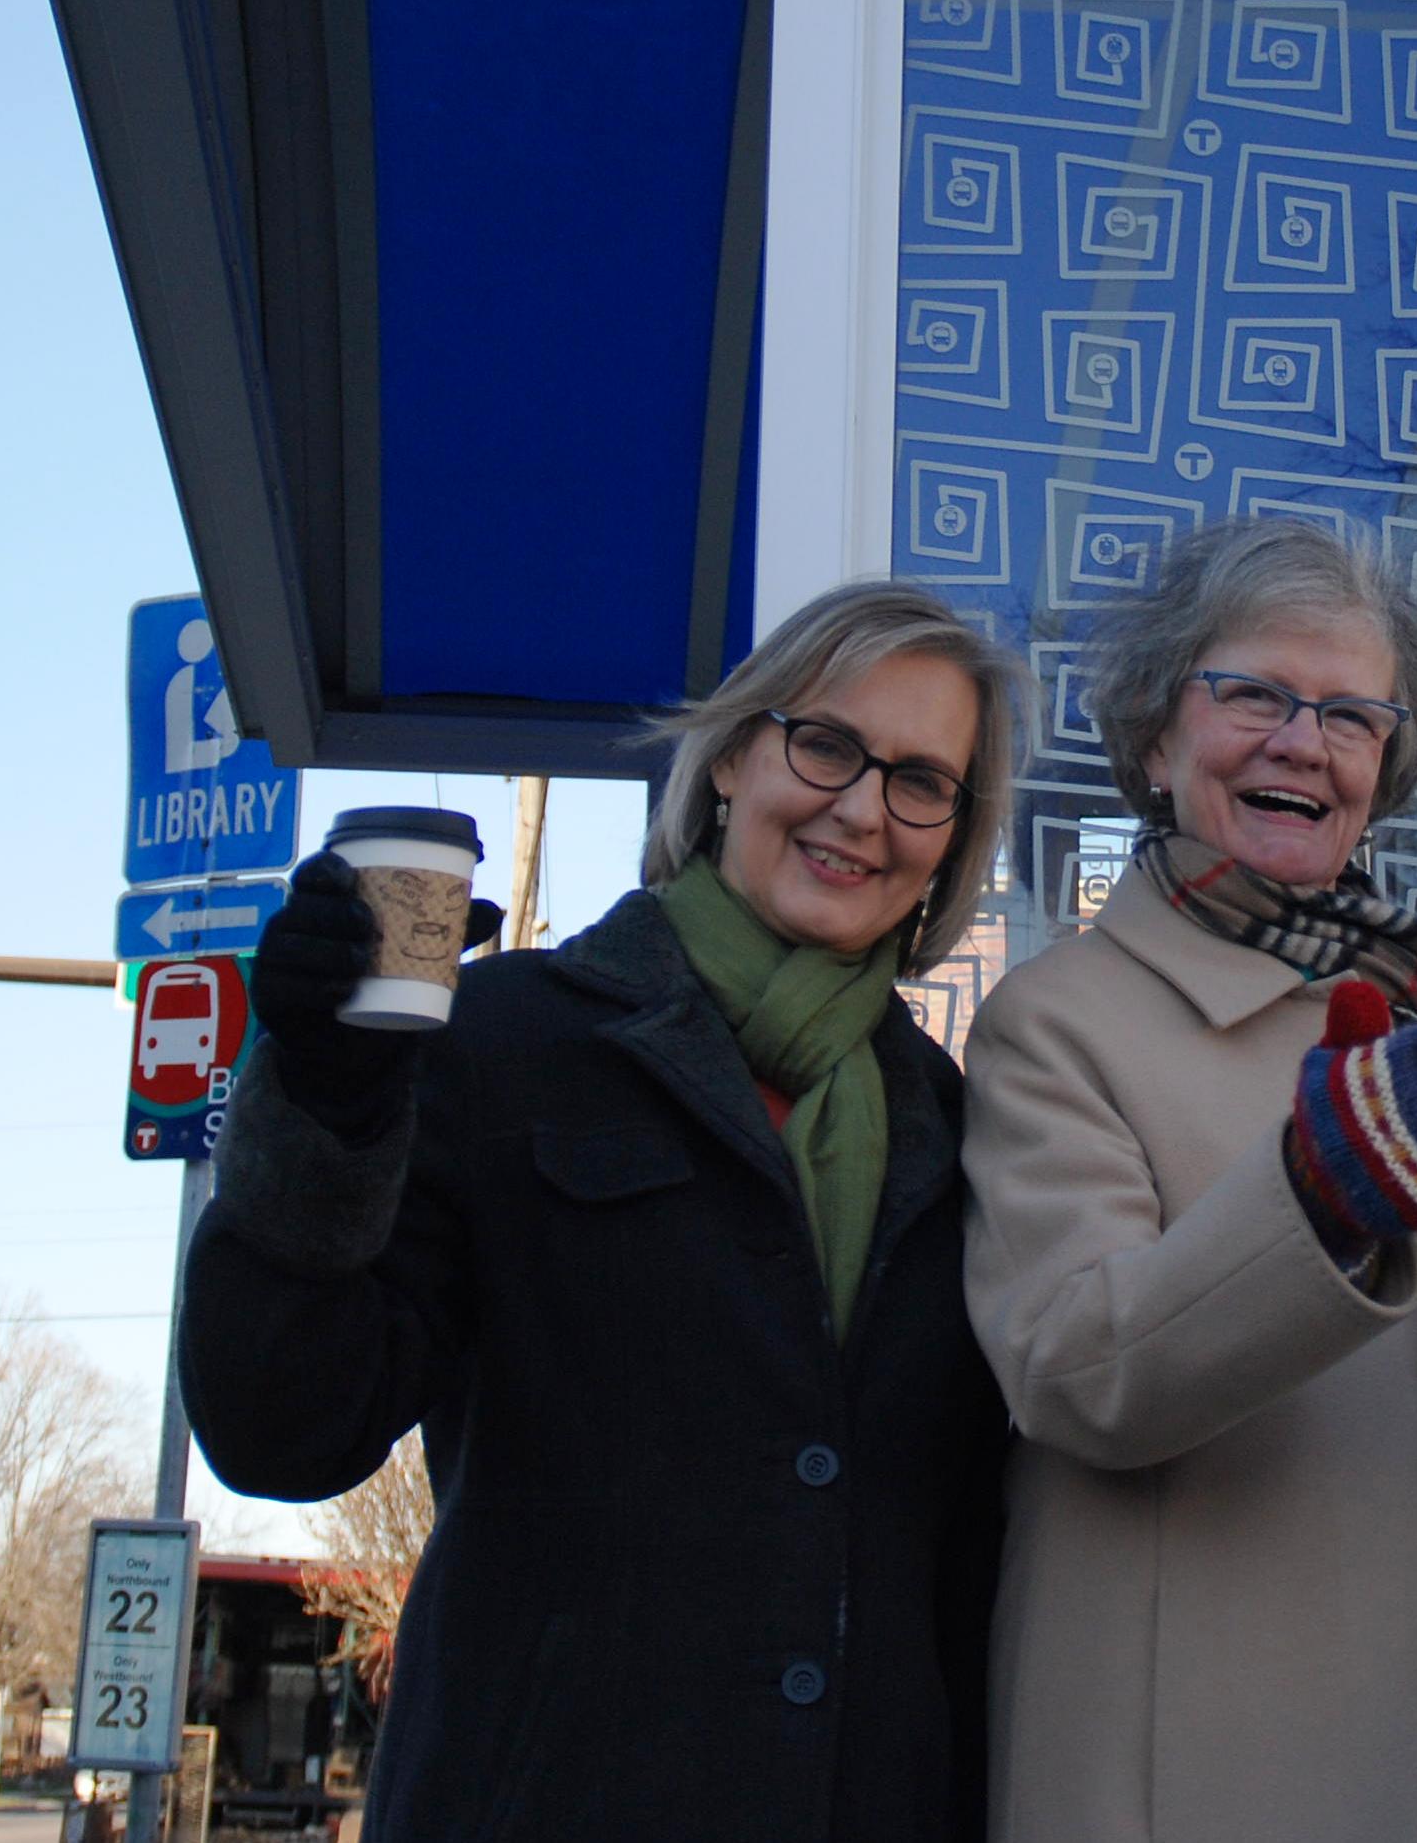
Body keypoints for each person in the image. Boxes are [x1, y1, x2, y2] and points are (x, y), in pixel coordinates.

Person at [180, 581, 1023, 1843]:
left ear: (950, 842)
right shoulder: (508, 1042)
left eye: (921, 781)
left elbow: (966, 1567)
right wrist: (323, 1093)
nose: (863, 808)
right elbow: (281, 1427)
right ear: (735, 755)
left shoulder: (961, 1133)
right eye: (828, 745)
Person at [960, 517, 1417, 1843]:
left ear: (1384, 774)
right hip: (1201, 1767)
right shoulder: (1057, 1019)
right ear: (1155, 738)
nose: (1298, 740)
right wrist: (1318, 1201)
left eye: (1349, 715)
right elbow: (1072, 1368)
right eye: (1252, 693)